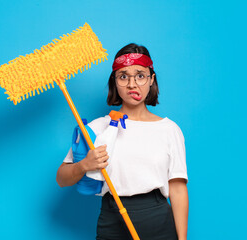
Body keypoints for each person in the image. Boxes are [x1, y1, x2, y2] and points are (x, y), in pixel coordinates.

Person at [56, 43, 188, 240]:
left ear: (151, 79)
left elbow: (177, 189)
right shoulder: (97, 128)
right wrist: (84, 165)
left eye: (140, 75)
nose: (132, 84)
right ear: (115, 82)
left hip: (157, 220)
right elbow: (61, 178)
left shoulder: (169, 130)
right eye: (123, 76)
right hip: (112, 220)